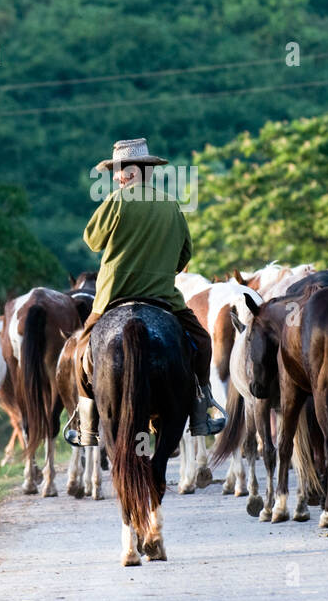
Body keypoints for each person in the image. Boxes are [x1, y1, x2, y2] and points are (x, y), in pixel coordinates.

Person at [66, 138, 225, 447]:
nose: (114, 177)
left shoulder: (115, 201)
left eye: (117, 171)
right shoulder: (171, 204)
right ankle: (201, 408)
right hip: (165, 297)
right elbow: (184, 256)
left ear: (132, 172)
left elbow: (92, 240)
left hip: (112, 297)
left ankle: (86, 424)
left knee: (79, 351)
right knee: (201, 343)